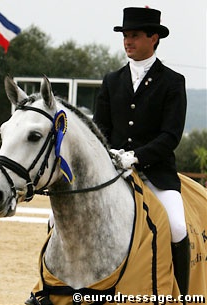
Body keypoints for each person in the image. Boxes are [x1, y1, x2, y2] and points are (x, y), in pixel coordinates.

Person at [93, 7, 190, 297]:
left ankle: (182, 294)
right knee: (55, 220)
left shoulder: (173, 82)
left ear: (154, 38)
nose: (127, 41)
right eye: (125, 36)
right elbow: (100, 129)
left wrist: (135, 157)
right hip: (113, 174)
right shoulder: (112, 81)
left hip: (156, 174)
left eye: (134, 35)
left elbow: (170, 136)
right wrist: (110, 155)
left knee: (176, 226)